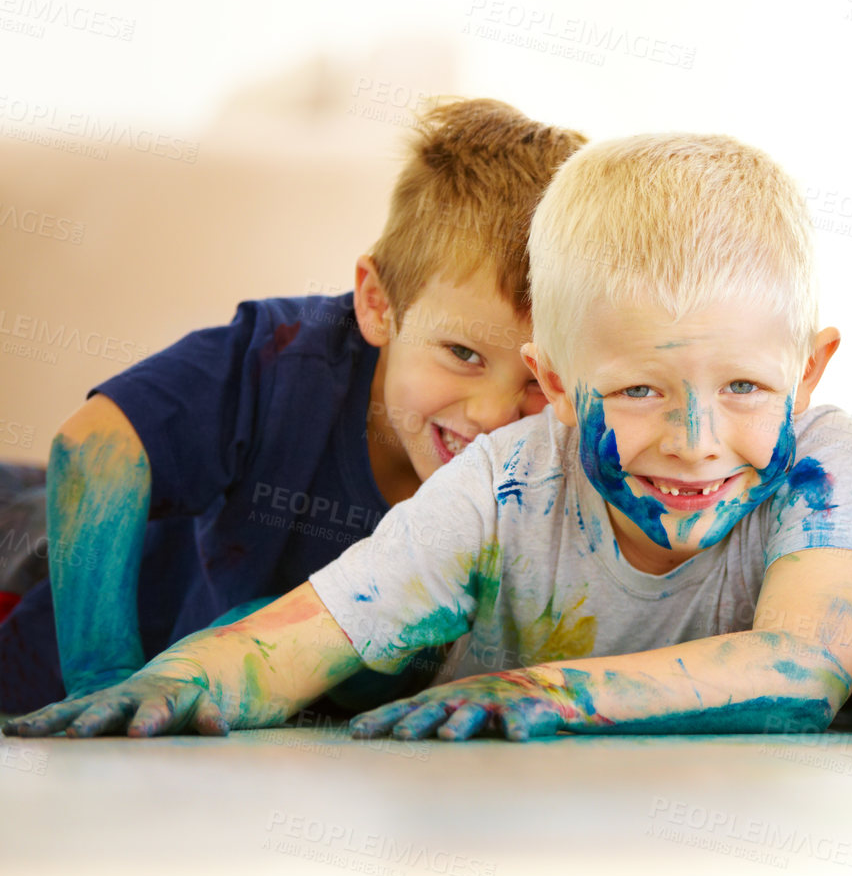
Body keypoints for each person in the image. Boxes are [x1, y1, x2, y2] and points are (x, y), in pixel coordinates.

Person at [4, 133, 852, 741]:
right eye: (638, 391)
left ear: (807, 374)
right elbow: (303, 634)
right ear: (558, 387)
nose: (696, 441)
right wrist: (170, 683)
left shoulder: (821, 463)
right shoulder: (504, 484)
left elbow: (806, 665)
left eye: (744, 387)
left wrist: (548, 691)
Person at [0, 98, 584, 713]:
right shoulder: (290, 358)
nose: (493, 416)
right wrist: (102, 676)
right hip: (35, 573)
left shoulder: (570, 457)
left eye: (535, 382)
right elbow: (94, 447)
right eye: (462, 353)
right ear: (379, 305)